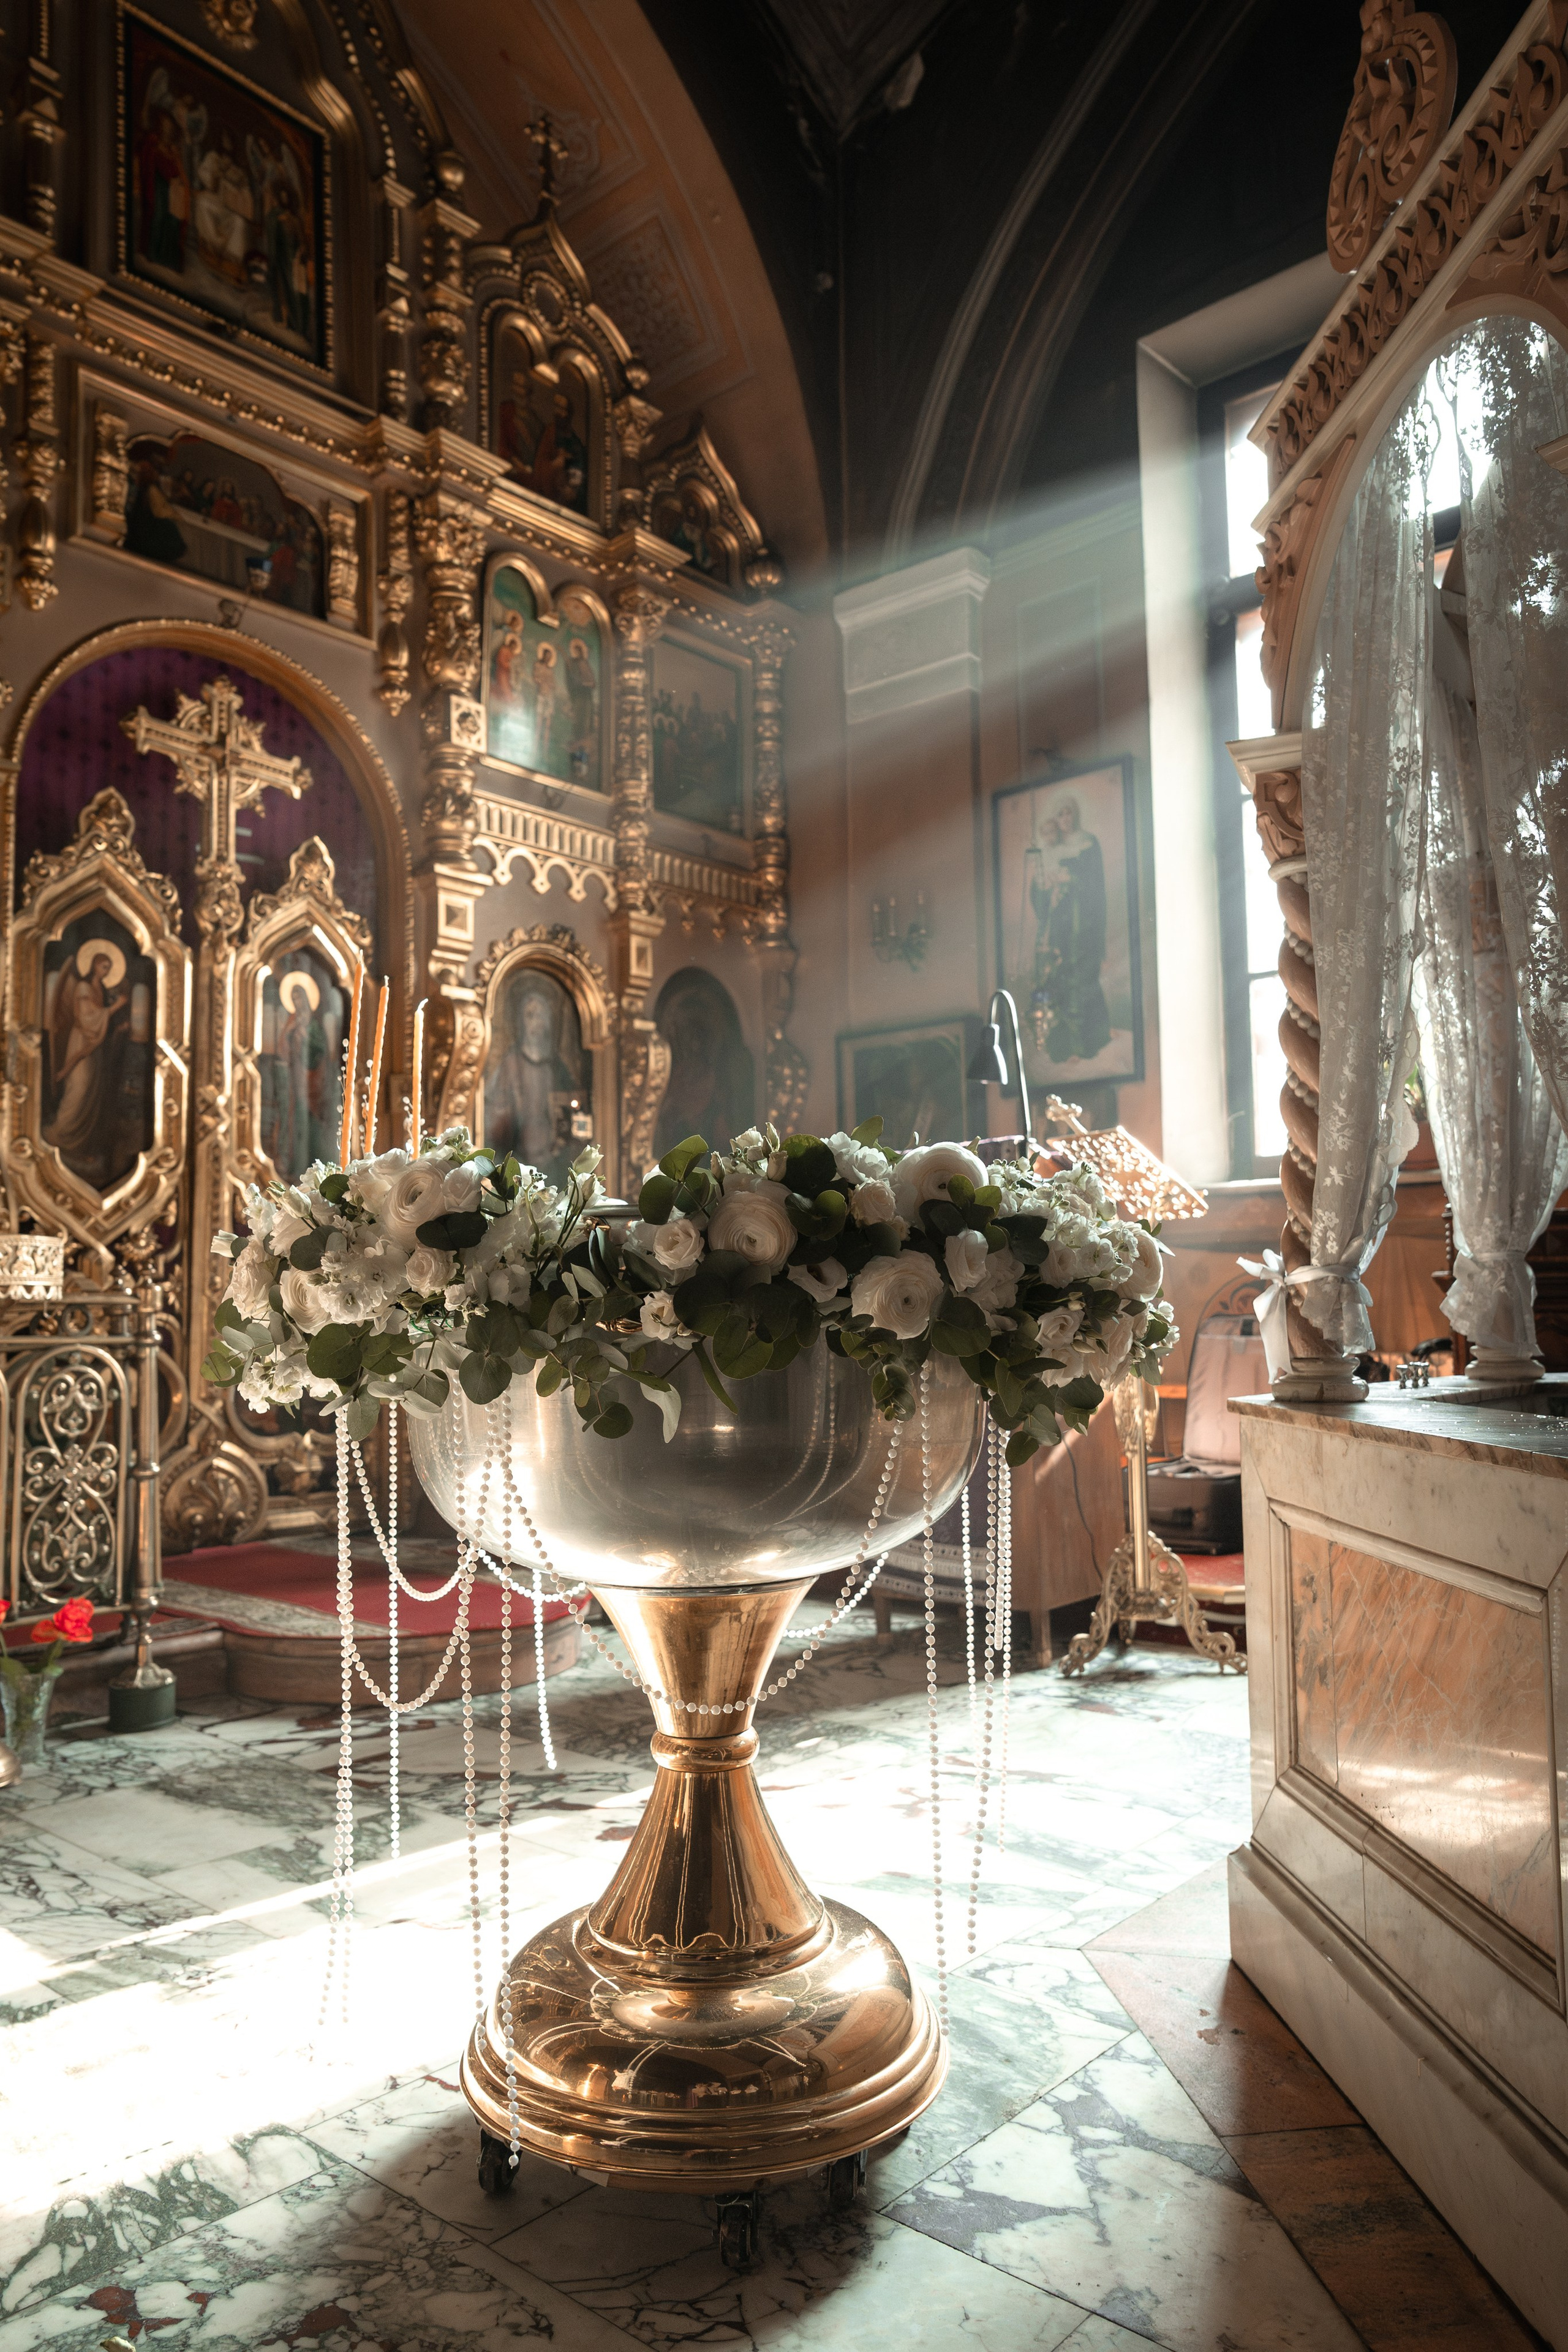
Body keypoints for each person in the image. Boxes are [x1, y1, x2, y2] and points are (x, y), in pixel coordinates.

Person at [1028, 798, 1112, 1063]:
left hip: (1081, 924)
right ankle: (1060, 1045)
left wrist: (1070, 879)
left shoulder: (1087, 843)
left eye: (1069, 813)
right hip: (1059, 926)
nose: (1065, 819)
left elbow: (1093, 884)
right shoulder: (1053, 849)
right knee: (1056, 977)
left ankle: (1087, 1041)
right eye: (1060, 814)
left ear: (1075, 815)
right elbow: (1038, 893)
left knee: (1080, 978)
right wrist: (1043, 887)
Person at [43, 951, 131, 1180]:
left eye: (109, 968)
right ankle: (58, 1136)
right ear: (93, 966)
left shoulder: (101, 990)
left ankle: (79, 1147)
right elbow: (87, 1019)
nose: (106, 972)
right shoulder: (83, 988)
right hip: (81, 1041)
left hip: (95, 1047)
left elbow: (102, 1023)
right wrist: (116, 1007)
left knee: (91, 1094)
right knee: (78, 1090)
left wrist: (118, 1026)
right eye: (104, 967)